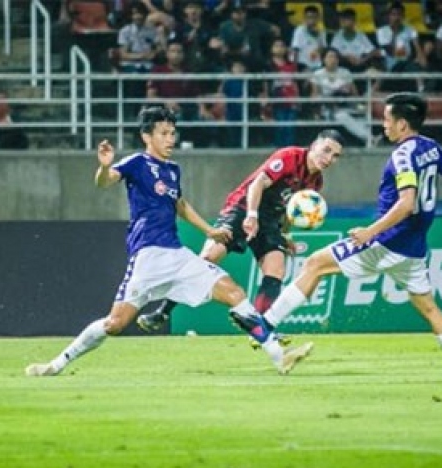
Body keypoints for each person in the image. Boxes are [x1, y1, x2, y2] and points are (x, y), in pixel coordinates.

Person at [25, 106, 310, 377]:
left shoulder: (173, 170)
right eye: (163, 133)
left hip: (176, 254)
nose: (170, 138)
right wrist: (103, 167)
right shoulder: (137, 163)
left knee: (233, 293)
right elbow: (106, 181)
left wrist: (209, 232)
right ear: (146, 136)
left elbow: (180, 205)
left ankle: (279, 357)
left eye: (172, 133)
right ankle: (57, 363)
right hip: (148, 255)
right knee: (115, 324)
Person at [257, 93, 442, 386]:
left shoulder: (403, 155)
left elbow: (406, 203)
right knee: (430, 309)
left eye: (387, 119)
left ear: (403, 124)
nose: (383, 126)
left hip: (386, 241)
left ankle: (264, 324)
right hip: (414, 249)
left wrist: (371, 232)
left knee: (316, 264)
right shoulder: (430, 148)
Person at [136, 129, 345, 337]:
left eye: (335, 156)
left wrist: (285, 235)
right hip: (243, 208)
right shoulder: (289, 157)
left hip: (270, 221)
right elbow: (257, 184)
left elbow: (290, 211)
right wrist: (251, 215)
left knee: (276, 269)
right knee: (208, 258)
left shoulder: (315, 183)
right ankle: (162, 312)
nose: (328, 159)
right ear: (314, 145)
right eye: (326, 150)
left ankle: (258, 328)